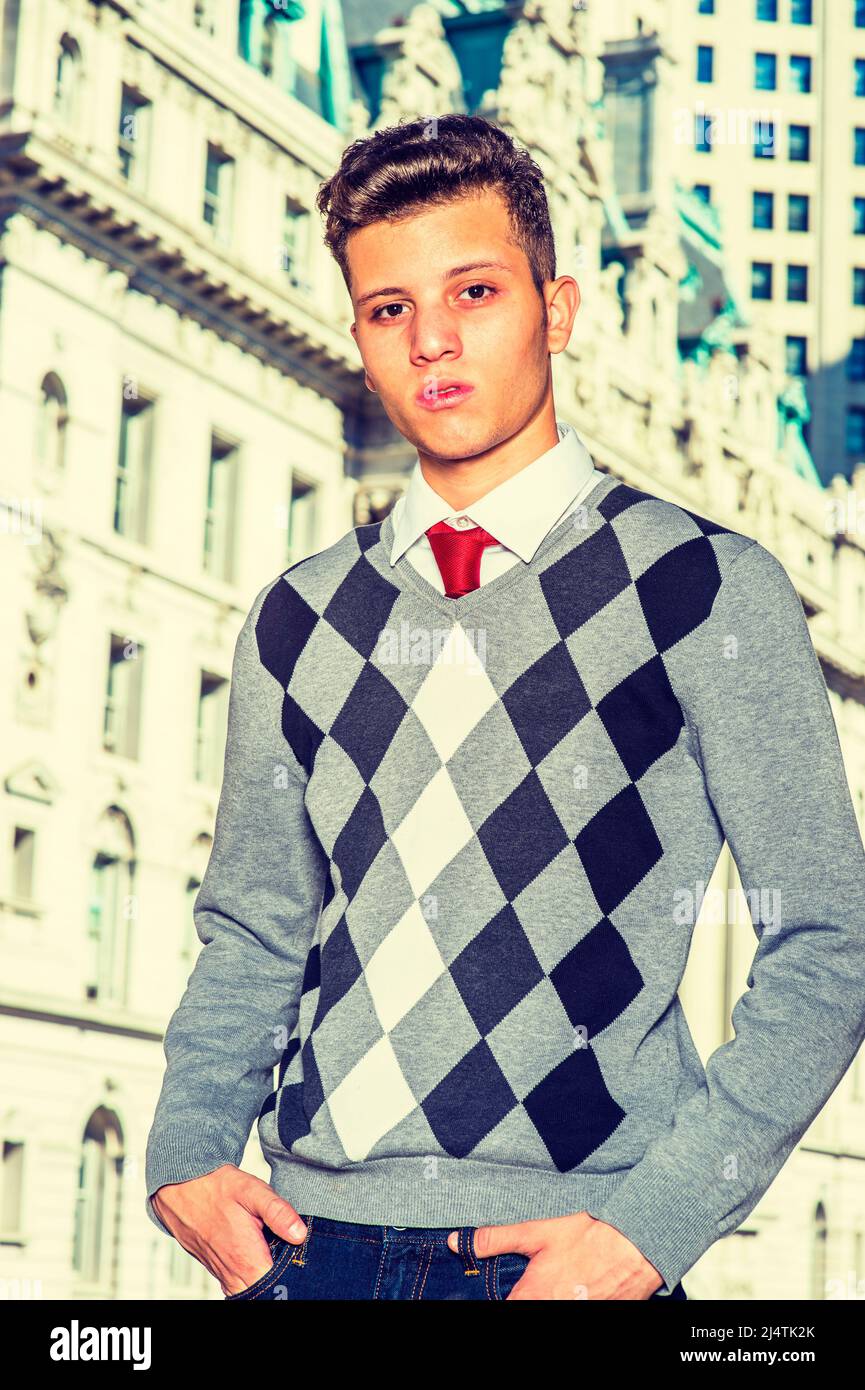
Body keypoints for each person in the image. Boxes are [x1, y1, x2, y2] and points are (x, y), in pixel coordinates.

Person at [145, 114, 865, 1302]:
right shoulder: (298, 617)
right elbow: (257, 930)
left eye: (473, 290)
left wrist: (648, 1231)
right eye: (388, 309)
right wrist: (184, 1155)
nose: (431, 341)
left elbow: (830, 942)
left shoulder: (704, 585)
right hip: (303, 1250)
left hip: (570, 1257)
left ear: (558, 309)